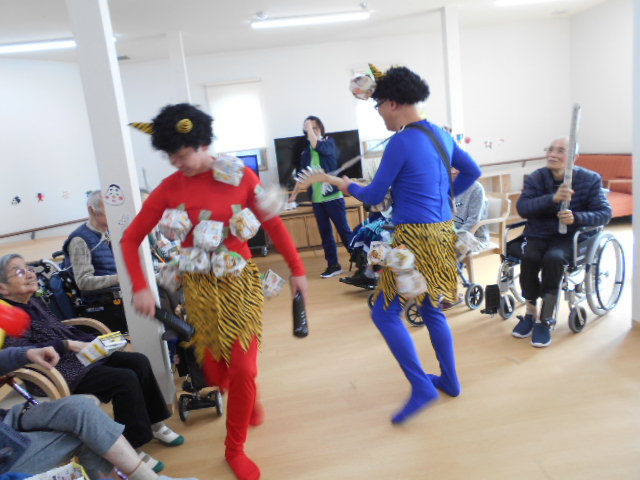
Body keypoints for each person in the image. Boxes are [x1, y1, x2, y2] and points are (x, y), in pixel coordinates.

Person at [123, 103, 308, 480]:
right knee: (217, 372)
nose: (176, 162)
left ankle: (234, 447)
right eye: (170, 156)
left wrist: (298, 269)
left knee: (243, 369)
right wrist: (141, 287)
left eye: (181, 154)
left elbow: (272, 223)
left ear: (203, 143)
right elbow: (130, 239)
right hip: (198, 290)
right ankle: (245, 394)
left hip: (240, 285)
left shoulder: (240, 176)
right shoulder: (170, 188)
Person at [334, 65, 482, 424]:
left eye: (379, 107)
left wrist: (344, 185)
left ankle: (422, 387)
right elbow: (473, 171)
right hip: (443, 234)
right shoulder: (441, 135)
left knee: (384, 313)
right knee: (432, 310)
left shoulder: (401, 141)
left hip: (415, 239)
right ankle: (450, 381)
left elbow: (372, 195)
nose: (380, 114)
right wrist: (445, 198)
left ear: (393, 103)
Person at [0, 253, 184, 473]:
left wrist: (95, 341)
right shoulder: (9, 317)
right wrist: (67, 344)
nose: (30, 274)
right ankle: (132, 443)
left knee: (138, 361)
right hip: (56, 371)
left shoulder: (35, 301)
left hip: (77, 359)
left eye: (29, 268)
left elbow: (63, 329)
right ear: (3, 288)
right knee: (124, 379)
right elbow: (24, 350)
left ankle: (155, 423)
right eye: (19, 272)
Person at [0, 345, 197, 480]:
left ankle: (152, 442)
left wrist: (27, 353)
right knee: (89, 432)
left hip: (8, 419)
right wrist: (65, 343)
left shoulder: (36, 305)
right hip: (5, 450)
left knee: (81, 408)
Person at [512, 137, 612, 347]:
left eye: (560, 151)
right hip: (539, 234)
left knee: (554, 259)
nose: (552, 154)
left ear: (574, 157)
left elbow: (604, 213)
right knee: (529, 257)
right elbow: (523, 208)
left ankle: (546, 319)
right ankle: (530, 311)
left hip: (569, 237)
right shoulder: (537, 177)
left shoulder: (590, 179)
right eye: (550, 149)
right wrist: (552, 199)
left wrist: (577, 218)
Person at [289, 116, 353, 278]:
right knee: (326, 235)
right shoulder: (306, 153)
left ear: (321, 129)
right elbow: (302, 176)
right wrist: (293, 196)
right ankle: (333, 265)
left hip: (333, 197)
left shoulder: (328, 143)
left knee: (344, 231)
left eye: (315, 127)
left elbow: (318, 145)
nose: (313, 130)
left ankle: (361, 260)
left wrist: (309, 127)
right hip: (317, 201)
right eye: (310, 128)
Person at [63, 190, 118, 292]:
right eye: (108, 208)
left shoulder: (112, 233)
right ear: (92, 210)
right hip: (103, 298)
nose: (113, 213)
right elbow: (84, 282)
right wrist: (119, 279)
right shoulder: (79, 240)